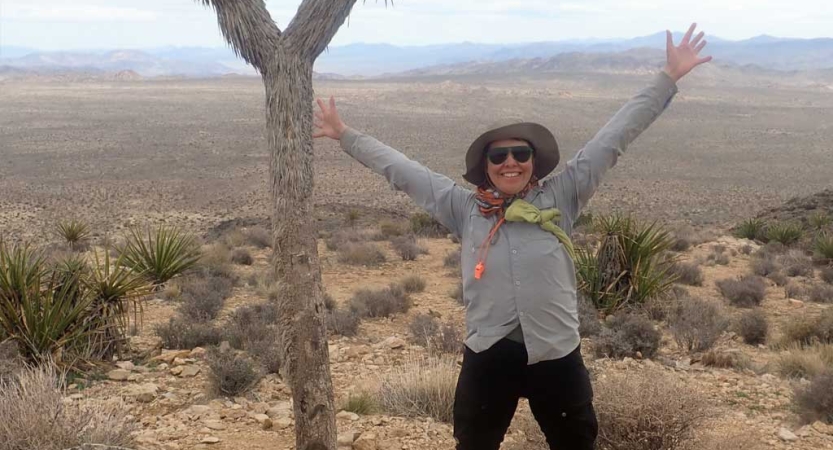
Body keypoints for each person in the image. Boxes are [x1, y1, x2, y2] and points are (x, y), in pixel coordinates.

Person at [314, 23, 712, 450]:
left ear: (533, 161)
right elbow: (405, 172)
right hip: (489, 353)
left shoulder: (563, 193)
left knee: (576, 442)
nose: (510, 163)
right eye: (498, 155)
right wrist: (347, 136)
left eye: (519, 154)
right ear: (486, 166)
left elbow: (611, 139)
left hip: (556, 351)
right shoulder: (464, 208)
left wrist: (666, 79)